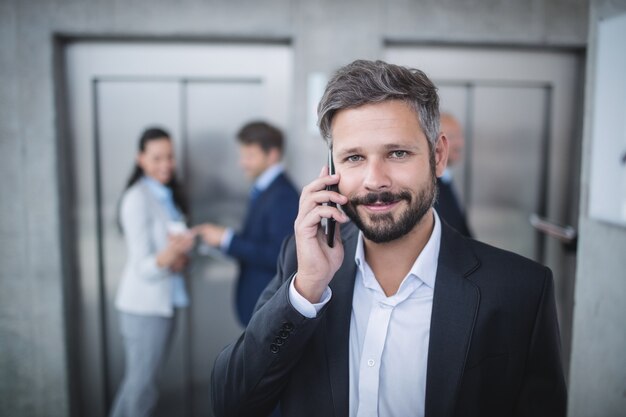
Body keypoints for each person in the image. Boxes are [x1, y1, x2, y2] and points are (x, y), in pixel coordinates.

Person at [210, 60, 567, 417]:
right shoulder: (301, 265)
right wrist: (307, 290)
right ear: (332, 170)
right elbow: (232, 403)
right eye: (353, 157)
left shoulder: (521, 291)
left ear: (438, 156)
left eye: (397, 153)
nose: (374, 180)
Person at [110, 127, 196, 417]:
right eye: (157, 157)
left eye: (169, 157)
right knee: (141, 388)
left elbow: (165, 254)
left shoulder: (166, 194)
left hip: (165, 303)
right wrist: (172, 253)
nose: (166, 164)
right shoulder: (137, 198)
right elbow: (143, 266)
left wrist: (179, 258)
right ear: (141, 159)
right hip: (144, 308)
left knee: (139, 384)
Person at [196, 121, 299, 326]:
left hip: (267, 305)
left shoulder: (283, 195)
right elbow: (258, 241)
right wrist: (221, 241)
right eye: (242, 155)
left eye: (249, 156)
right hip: (258, 302)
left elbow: (279, 255)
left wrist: (227, 239)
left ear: (272, 155)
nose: (242, 163)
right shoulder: (266, 189)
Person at [434, 112, 473, 237]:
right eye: (451, 137)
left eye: (460, 136)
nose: (459, 144)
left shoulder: (445, 178)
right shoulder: (430, 187)